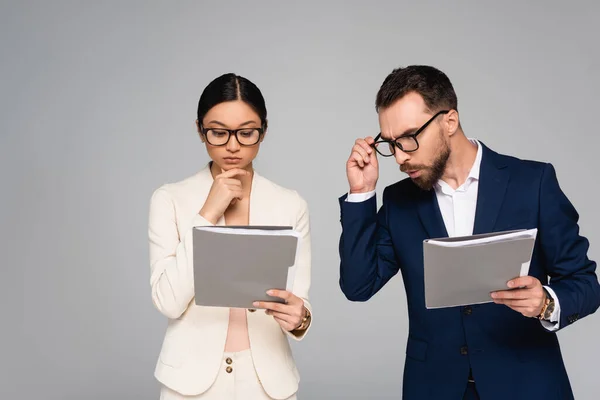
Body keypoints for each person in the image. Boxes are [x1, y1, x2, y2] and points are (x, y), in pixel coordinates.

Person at [338, 65, 600, 400]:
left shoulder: (532, 183)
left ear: (449, 121)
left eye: (409, 138)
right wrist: (361, 193)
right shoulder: (398, 201)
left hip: (526, 384)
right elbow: (358, 286)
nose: (400, 156)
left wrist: (547, 302)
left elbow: (585, 283)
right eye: (390, 143)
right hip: (434, 387)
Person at [148, 73, 312, 400]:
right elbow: (168, 300)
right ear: (200, 130)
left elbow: (299, 301)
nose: (233, 145)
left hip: (268, 383)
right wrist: (207, 212)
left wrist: (300, 319)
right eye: (219, 133)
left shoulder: (290, 204)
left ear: (263, 131)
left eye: (247, 132)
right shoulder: (169, 199)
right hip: (189, 385)